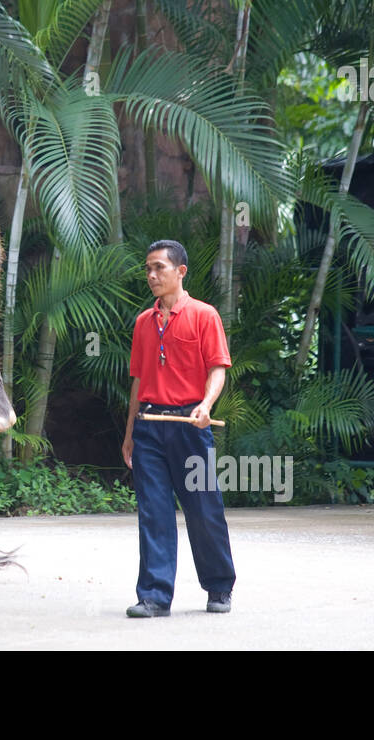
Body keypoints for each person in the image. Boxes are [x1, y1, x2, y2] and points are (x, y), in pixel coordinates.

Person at [122, 239, 236, 617]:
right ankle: (154, 596)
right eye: (148, 269)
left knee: (203, 510)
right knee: (153, 511)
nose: (152, 275)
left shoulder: (205, 315)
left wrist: (206, 405)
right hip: (149, 428)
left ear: (180, 271)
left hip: (190, 424)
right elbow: (137, 382)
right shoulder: (142, 322)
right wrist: (128, 436)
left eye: (159, 268)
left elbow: (217, 367)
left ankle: (219, 586)